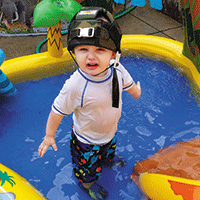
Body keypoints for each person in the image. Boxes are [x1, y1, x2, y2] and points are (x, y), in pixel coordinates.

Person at [38, 7, 141, 200]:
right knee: (87, 168)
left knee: (108, 152)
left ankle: (107, 159)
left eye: (100, 50)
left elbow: (129, 86)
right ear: (73, 51)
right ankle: (87, 184)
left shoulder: (118, 69)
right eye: (83, 49)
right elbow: (57, 111)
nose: (90, 56)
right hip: (86, 142)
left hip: (110, 132)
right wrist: (49, 135)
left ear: (113, 54)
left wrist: (136, 92)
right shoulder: (75, 86)